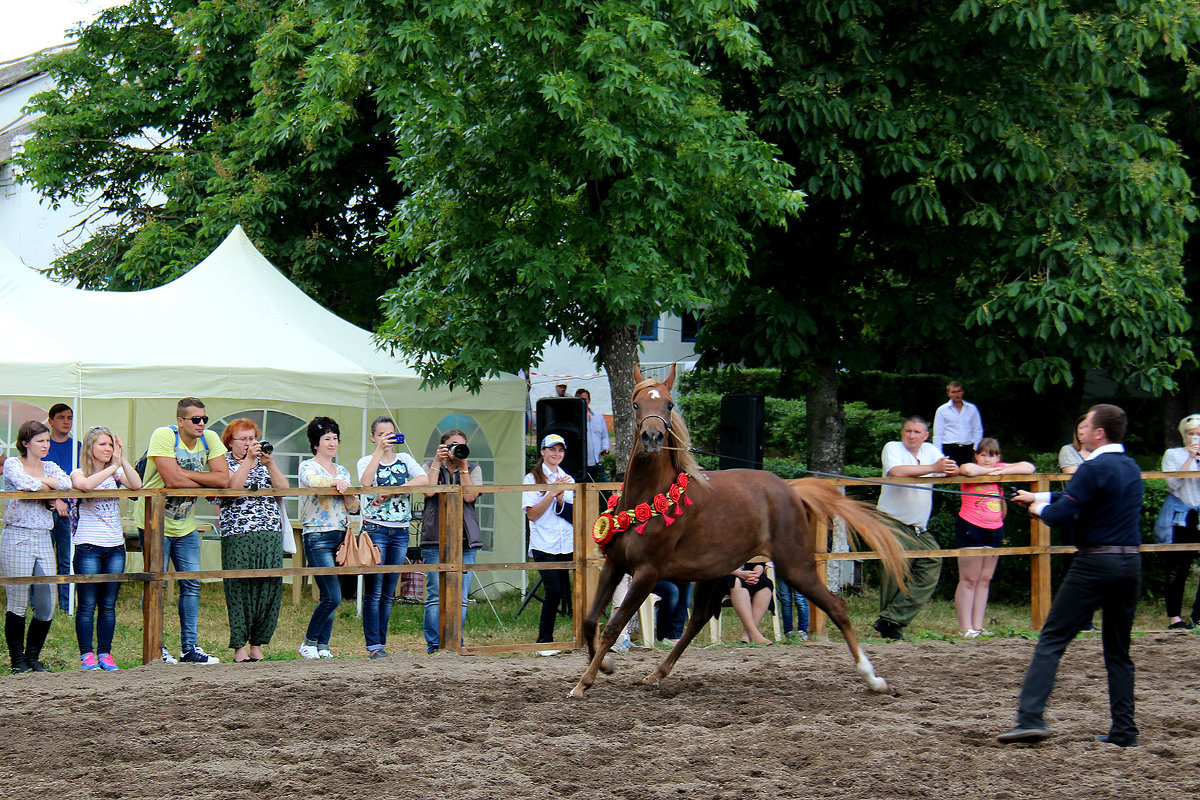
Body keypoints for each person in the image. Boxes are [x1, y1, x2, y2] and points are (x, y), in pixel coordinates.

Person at [1000, 404, 1143, 747]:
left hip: (1095, 564)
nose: (1082, 432)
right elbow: (1081, 496)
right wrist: (1038, 495)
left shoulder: (1092, 467)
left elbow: (1063, 512)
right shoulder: (1130, 467)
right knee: (1118, 651)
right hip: (1130, 565)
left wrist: (1040, 510)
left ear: (1099, 433)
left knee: (1051, 640)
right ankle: (1124, 730)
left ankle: (1030, 719)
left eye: (1087, 426)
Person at [135, 397, 229, 664]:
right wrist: (203, 481)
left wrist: (184, 474)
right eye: (195, 419)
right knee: (157, 584)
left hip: (186, 524)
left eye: (204, 419)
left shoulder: (210, 438)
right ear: (180, 421)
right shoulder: (164, 435)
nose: (201, 424)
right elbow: (171, 480)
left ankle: (190, 647)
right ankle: (156, 646)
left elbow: (223, 479)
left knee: (192, 584)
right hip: (155, 522)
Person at [873, 415, 958, 640]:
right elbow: (896, 472)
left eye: (917, 432)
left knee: (933, 561)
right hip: (891, 520)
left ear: (926, 436)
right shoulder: (892, 447)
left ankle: (892, 617)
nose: (911, 436)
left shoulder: (930, 450)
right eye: (908, 431)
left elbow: (949, 469)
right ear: (902, 433)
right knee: (895, 570)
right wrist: (934, 468)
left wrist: (954, 468)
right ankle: (890, 626)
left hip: (919, 526)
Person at [71, 425, 142, 671]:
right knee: (87, 603)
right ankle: (86, 655)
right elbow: (86, 486)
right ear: (90, 448)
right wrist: (113, 467)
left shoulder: (116, 473)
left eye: (110, 444)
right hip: (88, 545)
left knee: (108, 604)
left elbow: (136, 485)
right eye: (103, 444)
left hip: (114, 546)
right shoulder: (78, 472)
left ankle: (105, 653)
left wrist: (122, 462)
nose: (108, 449)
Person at [2, 421, 71, 672]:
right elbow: (25, 484)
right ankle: (18, 660)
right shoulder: (13, 463)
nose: (45, 445)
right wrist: (48, 486)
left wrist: (47, 485)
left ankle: (33, 656)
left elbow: (65, 483)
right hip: (18, 534)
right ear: (25, 443)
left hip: (43, 534)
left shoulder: (50, 465)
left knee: (47, 602)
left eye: (47, 441)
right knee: (17, 600)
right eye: (40, 441)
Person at [217, 419, 288, 663]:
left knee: (268, 589)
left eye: (252, 439)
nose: (249, 444)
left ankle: (257, 644)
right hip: (238, 533)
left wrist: (270, 464)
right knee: (239, 589)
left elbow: (283, 489)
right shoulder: (221, 462)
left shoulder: (263, 462)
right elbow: (232, 489)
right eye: (243, 439)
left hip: (269, 532)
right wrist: (248, 462)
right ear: (230, 441)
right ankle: (239, 648)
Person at [357, 416, 427, 658]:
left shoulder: (405, 459)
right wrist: (379, 452)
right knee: (374, 589)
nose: (388, 438)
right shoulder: (366, 460)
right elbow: (365, 483)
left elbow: (423, 479)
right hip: (375, 528)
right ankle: (373, 645)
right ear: (373, 437)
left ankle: (381, 645)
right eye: (382, 434)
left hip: (400, 530)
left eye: (391, 434)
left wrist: (394, 490)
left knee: (389, 591)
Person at [955, 438, 1034, 637]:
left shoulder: (1000, 468)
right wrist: (991, 471)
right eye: (983, 454)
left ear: (998, 457)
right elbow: (968, 471)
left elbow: (1029, 467)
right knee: (970, 578)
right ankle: (965, 628)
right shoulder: (973, 466)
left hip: (994, 527)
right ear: (976, 455)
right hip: (970, 525)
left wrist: (1003, 470)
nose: (987, 459)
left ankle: (978, 626)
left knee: (985, 578)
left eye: (992, 455)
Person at [297, 416, 360, 659]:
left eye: (335, 438)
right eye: (327, 439)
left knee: (330, 595)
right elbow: (313, 483)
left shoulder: (343, 470)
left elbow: (353, 505)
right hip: (317, 535)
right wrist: (337, 484)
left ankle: (322, 646)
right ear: (316, 443)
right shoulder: (307, 466)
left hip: (340, 535)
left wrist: (346, 493)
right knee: (332, 595)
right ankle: (309, 641)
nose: (332, 443)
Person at [420, 429, 482, 653]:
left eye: (462, 445)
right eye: (453, 445)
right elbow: (428, 492)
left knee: (461, 596)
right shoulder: (430, 466)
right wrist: (438, 461)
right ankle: (435, 644)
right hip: (434, 537)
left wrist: (463, 467)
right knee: (436, 594)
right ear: (443, 446)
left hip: (465, 539)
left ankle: (456, 642)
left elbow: (469, 496)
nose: (457, 449)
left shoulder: (472, 468)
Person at [522, 433, 574, 656]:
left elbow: (573, 515)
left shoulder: (568, 478)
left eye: (560, 450)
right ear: (542, 452)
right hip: (544, 543)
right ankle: (544, 641)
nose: (556, 454)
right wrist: (552, 494)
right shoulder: (531, 479)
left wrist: (561, 497)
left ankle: (575, 636)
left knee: (566, 591)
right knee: (552, 590)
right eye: (552, 449)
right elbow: (532, 514)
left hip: (566, 543)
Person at [1153, 413, 1200, 630]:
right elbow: (1173, 484)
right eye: (1192, 434)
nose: (1195, 438)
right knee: (1177, 568)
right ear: (1185, 435)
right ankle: (1175, 619)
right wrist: (1190, 458)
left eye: (1199, 434)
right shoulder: (1172, 454)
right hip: (1179, 517)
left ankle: (1198, 616)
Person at [44, 403, 77, 613]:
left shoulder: (78, 446)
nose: (66, 422)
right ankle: (39, 605)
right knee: (41, 560)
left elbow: (81, 477)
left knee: (67, 560)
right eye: (61, 417)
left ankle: (66, 606)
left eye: (70, 417)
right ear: (51, 421)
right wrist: (56, 499)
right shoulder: (43, 445)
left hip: (70, 511)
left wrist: (66, 501)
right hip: (44, 509)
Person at [932, 381, 984, 466]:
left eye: (959, 391)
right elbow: (938, 434)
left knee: (968, 475)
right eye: (953, 392)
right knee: (950, 476)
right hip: (949, 448)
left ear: (962, 392)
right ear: (948, 394)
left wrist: (976, 449)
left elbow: (977, 430)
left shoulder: (972, 409)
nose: (957, 394)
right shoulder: (942, 410)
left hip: (967, 448)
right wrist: (938, 454)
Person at [725, 562, 774, 644]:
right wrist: (739, 573)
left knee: (766, 583)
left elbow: (759, 563)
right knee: (736, 581)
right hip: (726, 576)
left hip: (747, 576)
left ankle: (748, 634)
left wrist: (755, 575)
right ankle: (754, 634)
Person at [575, 389, 610, 482]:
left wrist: (605, 447)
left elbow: (604, 436)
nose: (583, 402)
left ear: (589, 400)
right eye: (580, 399)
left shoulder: (598, 416)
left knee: (605, 487)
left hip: (597, 462)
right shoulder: (574, 419)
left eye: (585, 399)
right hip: (580, 464)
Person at [650, 579, 692, 643]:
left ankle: (675, 635)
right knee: (671, 590)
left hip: (670, 577)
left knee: (686, 586)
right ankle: (662, 636)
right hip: (649, 577)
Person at [776, 575, 810, 642]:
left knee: (800, 599)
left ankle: (803, 631)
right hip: (781, 569)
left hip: (798, 568)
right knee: (786, 600)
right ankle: (788, 632)